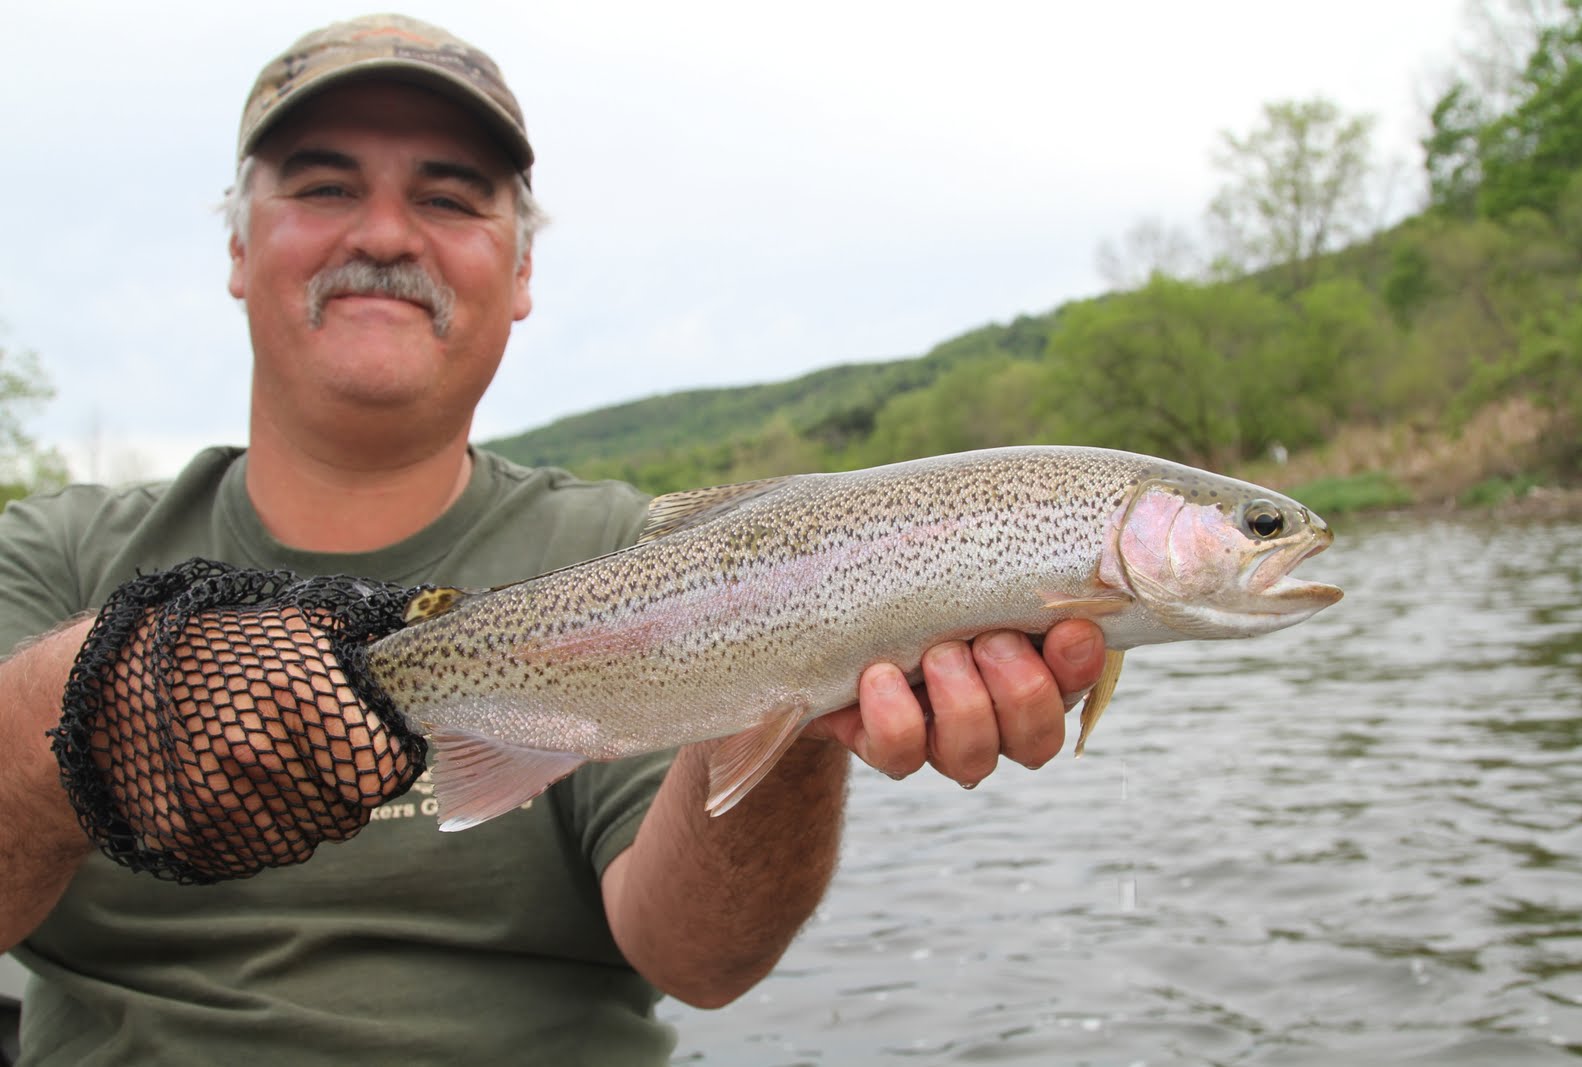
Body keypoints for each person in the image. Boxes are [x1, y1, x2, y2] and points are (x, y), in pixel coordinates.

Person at [0, 14, 1107, 1065]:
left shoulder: (635, 553)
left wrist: (800, 685)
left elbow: (700, 961)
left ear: (520, 272)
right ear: (237, 244)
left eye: (450, 197)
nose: (384, 233)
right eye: (325, 185)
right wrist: (78, 704)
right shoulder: (48, 554)